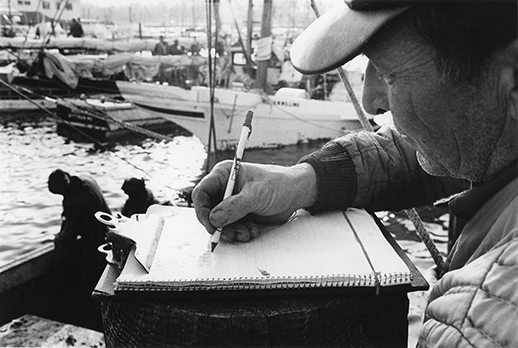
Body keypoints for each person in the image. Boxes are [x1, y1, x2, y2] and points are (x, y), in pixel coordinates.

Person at [192, 1, 518, 347]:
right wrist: (299, 182)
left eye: (390, 73)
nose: (370, 101)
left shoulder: (477, 315)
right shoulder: (497, 138)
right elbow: (437, 150)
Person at [47, 169, 111, 329]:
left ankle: (94, 314)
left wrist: (58, 238)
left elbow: (70, 232)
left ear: (62, 188)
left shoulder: (72, 201)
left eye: (59, 193)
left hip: (95, 239)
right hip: (109, 230)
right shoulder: (86, 178)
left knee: (91, 275)